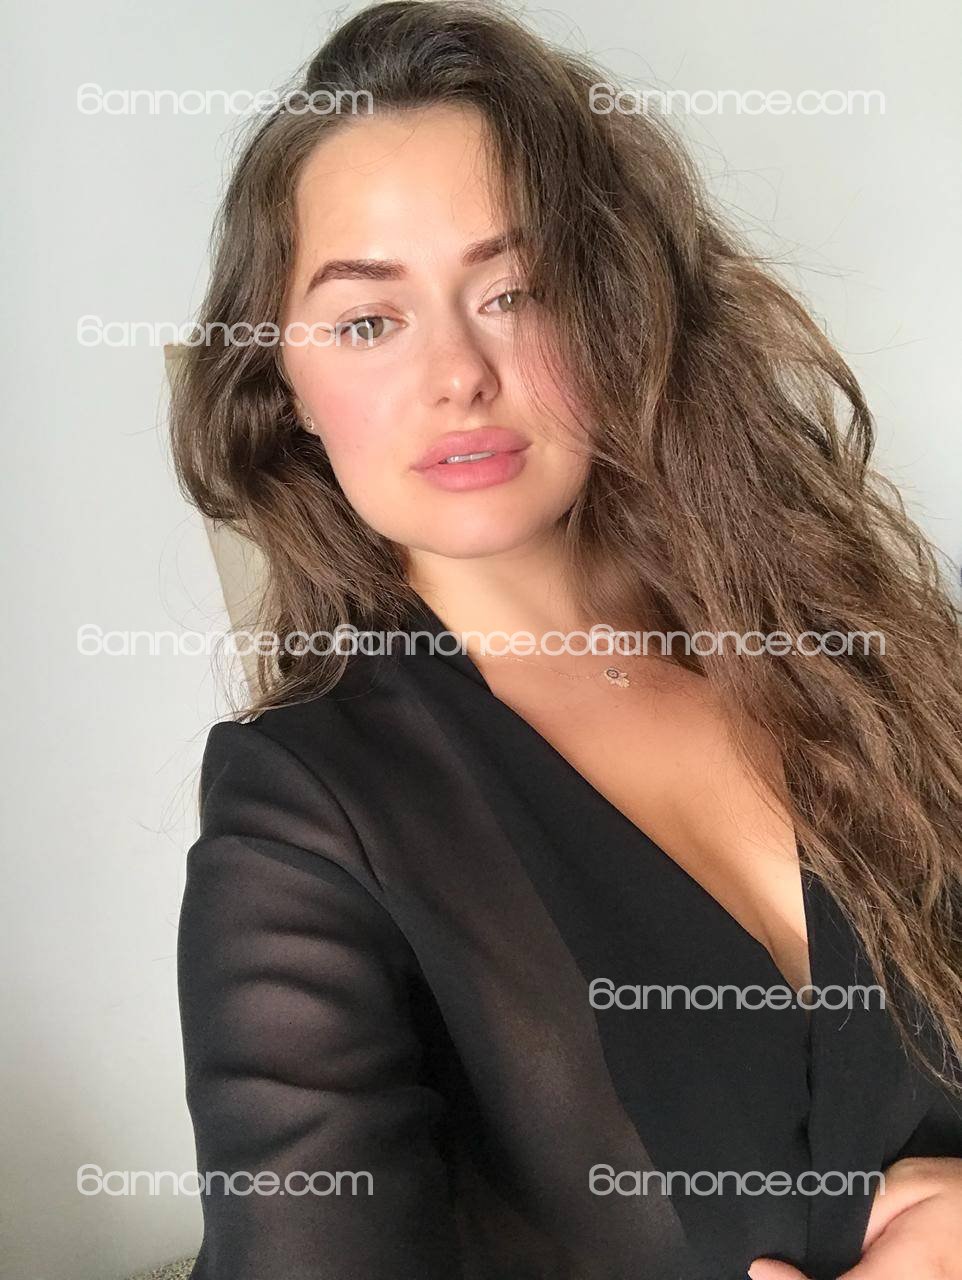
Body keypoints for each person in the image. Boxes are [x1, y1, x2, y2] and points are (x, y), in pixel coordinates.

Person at [169, 3, 962, 1277]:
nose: (458, 373)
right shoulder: (302, 818)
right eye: (368, 320)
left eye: (514, 291)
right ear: (287, 387)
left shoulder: (869, 656)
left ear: (613, 311)